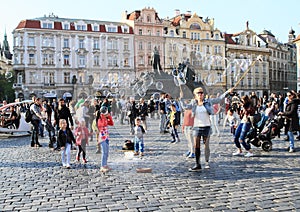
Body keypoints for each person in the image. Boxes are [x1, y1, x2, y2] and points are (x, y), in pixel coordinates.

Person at [180, 87, 232, 171]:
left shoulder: (208, 102)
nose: (200, 94)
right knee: (196, 146)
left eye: (201, 93)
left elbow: (218, 99)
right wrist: (181, 98)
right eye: (198, 93)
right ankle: (197, 164)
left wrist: (227, 92)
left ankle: (207, 162)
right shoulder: (193, 103)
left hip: (206, 127)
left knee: (206, 146)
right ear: (195, 95)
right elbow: (185, 107)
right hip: (196, 127)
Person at [97, 106, 114, 173]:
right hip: (102, 137)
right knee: (104, 152)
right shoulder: (99, 119)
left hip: (106, 137)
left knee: (106, 152)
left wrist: (109, 117)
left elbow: (111, 123)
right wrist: (104, 116)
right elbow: (102, 124)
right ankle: (102, 166)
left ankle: (105, 164)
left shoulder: (105, 118)